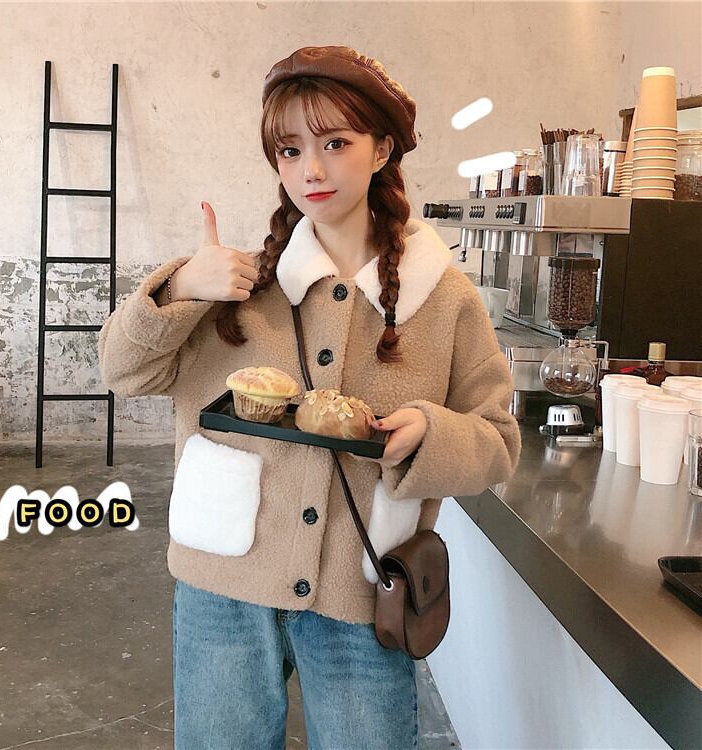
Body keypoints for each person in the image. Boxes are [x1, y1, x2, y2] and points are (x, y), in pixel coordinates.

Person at [98, 45, 521, 750]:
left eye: (335, 143)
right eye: (290, 150)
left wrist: (429, 434)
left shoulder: (443, 300)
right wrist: (179, 288)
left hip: (361, 595)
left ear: (382, 148)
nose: (311, 171)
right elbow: (122, 370)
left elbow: (498, 442)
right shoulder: (239, 286)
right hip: (223, 588)